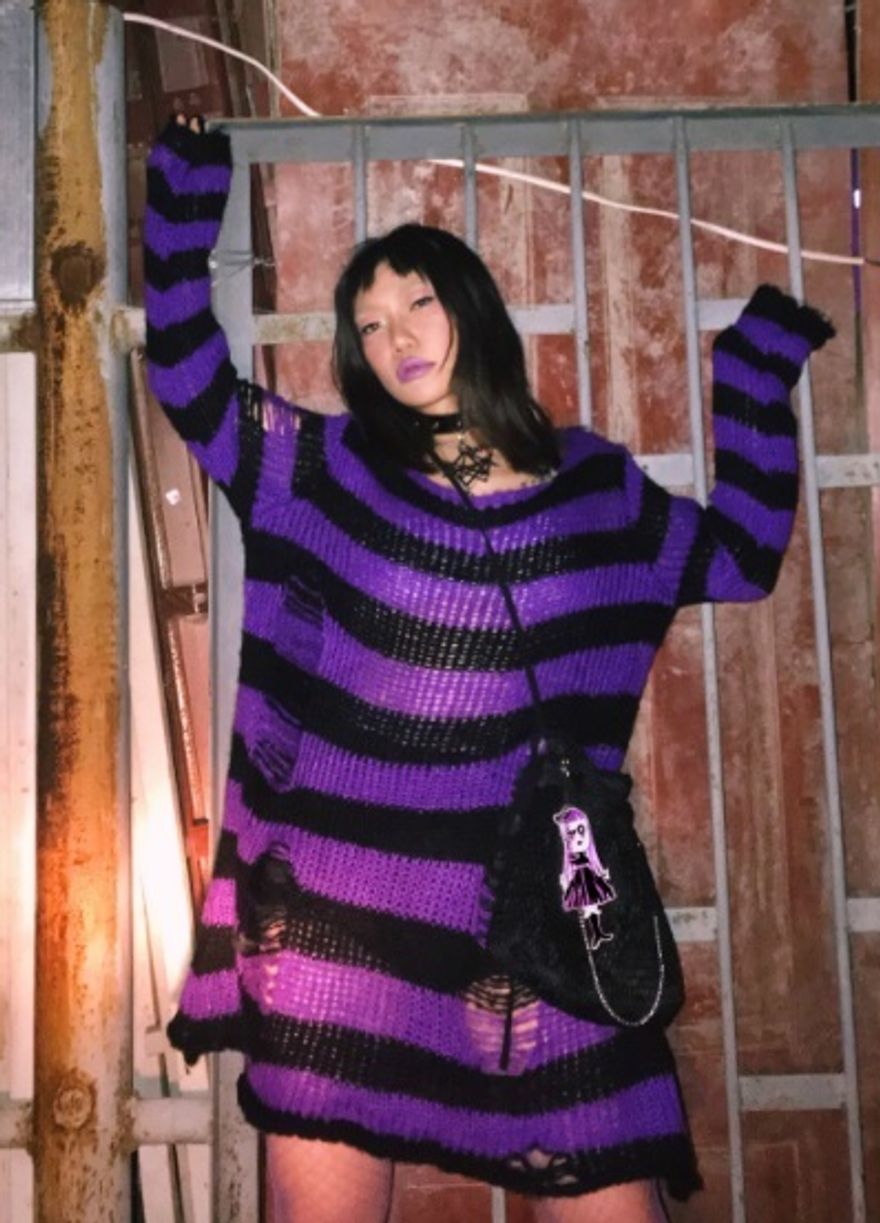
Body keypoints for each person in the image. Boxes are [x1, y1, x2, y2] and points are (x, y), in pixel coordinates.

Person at [145, 113, 833, 1223]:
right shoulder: (325, 473)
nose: (396, 337)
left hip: (538, 932)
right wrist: (184, 194)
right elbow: (188, 377)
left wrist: (750, 376)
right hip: (344, 937)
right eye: (369, 325)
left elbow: (741, 554)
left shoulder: (597, 494)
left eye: (417, 302)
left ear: (470, 307)